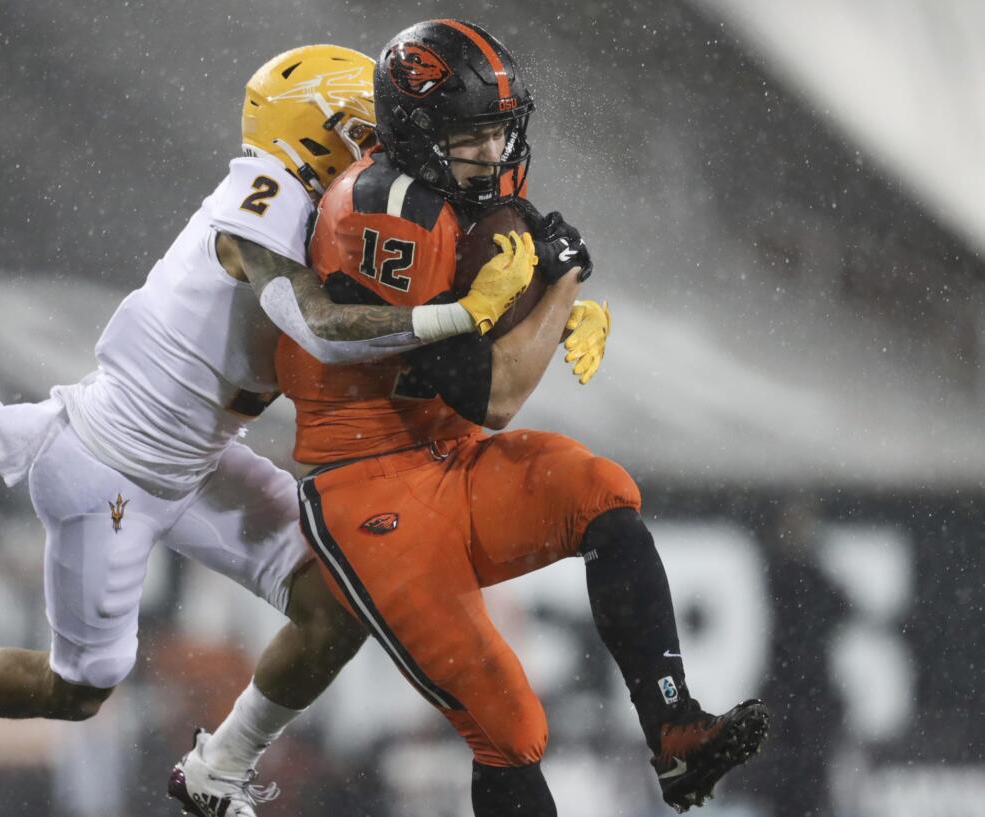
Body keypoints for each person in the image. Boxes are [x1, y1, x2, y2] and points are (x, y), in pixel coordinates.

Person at [0, 43, 538, 816]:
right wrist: (462, 313)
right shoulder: (263, 190)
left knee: (346, 597)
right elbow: (315, 325)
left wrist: (546, 295)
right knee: (78, 688)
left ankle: (220, 764)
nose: (383, 143)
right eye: (366, 129)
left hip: (199, 459)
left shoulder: (338, 212)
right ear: (317, 132)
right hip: (111, 464)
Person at [263, 19, 770, 815]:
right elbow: (490, 395)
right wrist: (556, 296)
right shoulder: (383, 211)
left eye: (501, 132)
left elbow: (489, 332)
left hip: (442, 455)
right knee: (509, 722)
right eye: (473, 137)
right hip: (369, 487)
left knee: (601, 493)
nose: (494, 154)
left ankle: (673, 728)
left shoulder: (454, 196)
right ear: (419, 132)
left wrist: (552, 309)